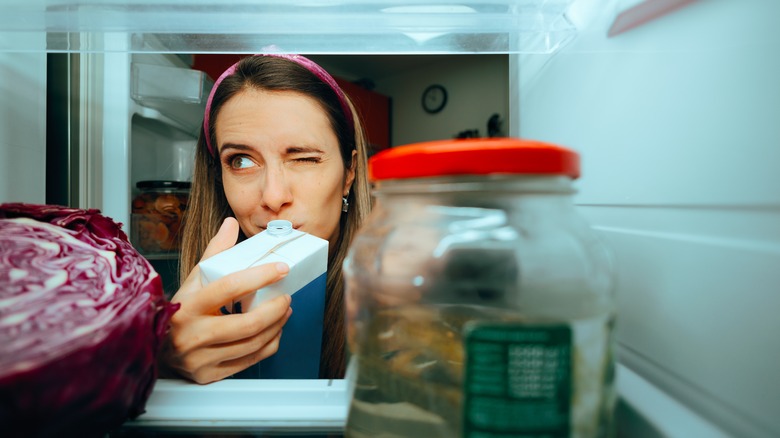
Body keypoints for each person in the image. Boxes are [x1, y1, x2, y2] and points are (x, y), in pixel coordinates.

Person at [160, 54, 372, 384]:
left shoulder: (397, 309)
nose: (273, 197)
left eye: (304, 158)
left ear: (349, 172)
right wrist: (162, 364)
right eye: (241, 161)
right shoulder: (180, 318)